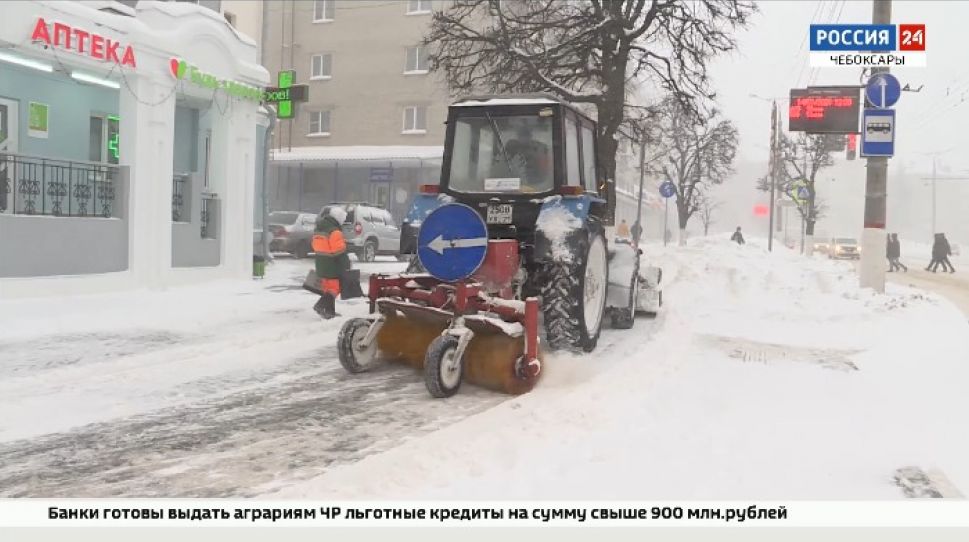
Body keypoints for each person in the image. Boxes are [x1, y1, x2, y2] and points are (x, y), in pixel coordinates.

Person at [312, 207, 350, 319]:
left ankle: (329, 312)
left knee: (327, 289)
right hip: (332, 264)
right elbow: (339, 252)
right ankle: (320, 305)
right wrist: (346, 264)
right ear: (338, 219)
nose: (343, 222)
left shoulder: (319, 229)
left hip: (320, 262)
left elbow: (314, 245)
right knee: (335, 288)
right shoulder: (335, 232)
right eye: (343, 219)